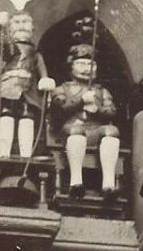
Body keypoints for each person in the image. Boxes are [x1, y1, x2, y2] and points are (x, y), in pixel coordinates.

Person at [50, 16, 120, 198]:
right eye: (81, 63)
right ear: (71, 65)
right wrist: (81, 101)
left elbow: (112, 110)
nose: (86, 68)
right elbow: (60, 110)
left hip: (95, 130)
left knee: (111, 131)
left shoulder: (101, 90)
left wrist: (97, 110)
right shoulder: (62, 88)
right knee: (76, 130)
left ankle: (109, 183)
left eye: (91, 64)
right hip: (70, 129)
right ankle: (76, 180)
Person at [0, 0, 55, 159]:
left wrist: (46, 79)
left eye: (24, 23)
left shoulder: (35, 52)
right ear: (12, 28)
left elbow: (41, 69)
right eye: (17, 23)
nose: (21, 26)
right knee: (7, 113)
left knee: (27, 115)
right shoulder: (12, 47)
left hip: (28, 86)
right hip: (10, 84)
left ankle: (26, 154)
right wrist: (1, 29)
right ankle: (4, 153)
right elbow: (5, 49)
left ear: (32, 27)